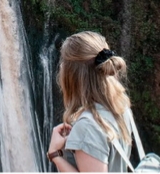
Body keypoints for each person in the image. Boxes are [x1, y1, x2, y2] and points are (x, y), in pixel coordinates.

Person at [47, 31, 133, 172]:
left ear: (72, 74)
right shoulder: (121, 108)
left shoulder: (87, 127)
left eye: (63, 62)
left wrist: (55, 155)